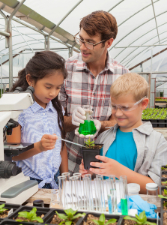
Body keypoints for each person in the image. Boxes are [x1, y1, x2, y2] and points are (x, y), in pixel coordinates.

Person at [59, 10, 129, 173]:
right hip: (69, 164)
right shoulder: (65, 70)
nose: (83, 47)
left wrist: (101, 125)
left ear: (108, 42)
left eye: (90, 42)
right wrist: (73, 120)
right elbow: (54, 119)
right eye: (81, 39)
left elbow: (122, 122)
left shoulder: (122, 75)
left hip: (107, 164)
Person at [79, 73, 167, 193]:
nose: (118, 113)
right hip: (105, 207)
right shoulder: (103, 137)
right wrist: (90, 173)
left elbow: (158, 188)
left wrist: (119, 172)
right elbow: (96, 176)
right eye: (114, 106)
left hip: (136, 210)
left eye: (125, 108)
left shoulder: (157, 142)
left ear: (143, 104)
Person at [9, 51, 68, 189]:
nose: (53, 93)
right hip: (27, 182)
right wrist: (39, 147)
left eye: (58, 87)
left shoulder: (56, 109)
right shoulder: (18, 110)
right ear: (30, 80)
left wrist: (65, 178)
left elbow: (62, 146)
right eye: (48, 87)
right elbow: (12, 155)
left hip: (54, 180)